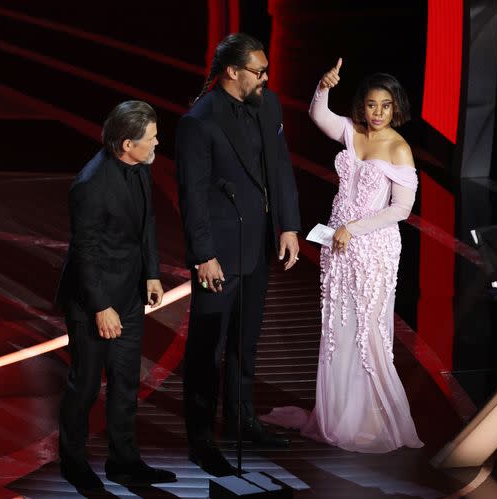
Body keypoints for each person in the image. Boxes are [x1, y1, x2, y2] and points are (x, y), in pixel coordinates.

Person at [261, 59, 424, 453]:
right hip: (339, 246)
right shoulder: (352, 132)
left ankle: (371, 418)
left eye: (386, 106)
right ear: (362, 106)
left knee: (368, 334)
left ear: (396, 107)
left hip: (374, 249)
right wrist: (323, 86)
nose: (379, 113)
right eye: (371, 105)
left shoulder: (399, 149)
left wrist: (355, 229)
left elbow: (401, 209)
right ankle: (339, 415)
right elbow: (319, 115)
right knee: (338, 331)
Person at [175, 32, 302, 476]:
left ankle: (242, 419)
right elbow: (192, 195)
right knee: (207, 347)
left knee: (245, 343)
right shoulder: (200, 120)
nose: (267, 77)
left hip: (258, 242)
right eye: (259, 71)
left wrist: (288, 224)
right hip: (220, 252)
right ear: (233, 72)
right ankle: (201, 437)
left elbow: (279, 165)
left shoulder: (268, 104)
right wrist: (203, 254)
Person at [55, 100, 177, 491]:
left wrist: (152, 274)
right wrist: (101, 307)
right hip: (93, 301)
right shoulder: (90, 185)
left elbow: (147, 223)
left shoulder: (139, 168)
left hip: (128, 293)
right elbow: (85, 253)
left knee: (126, 382)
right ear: (127, 144)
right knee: (86, 384)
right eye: (152, 138)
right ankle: (72, 463)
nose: (158, 143)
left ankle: (124, 463)